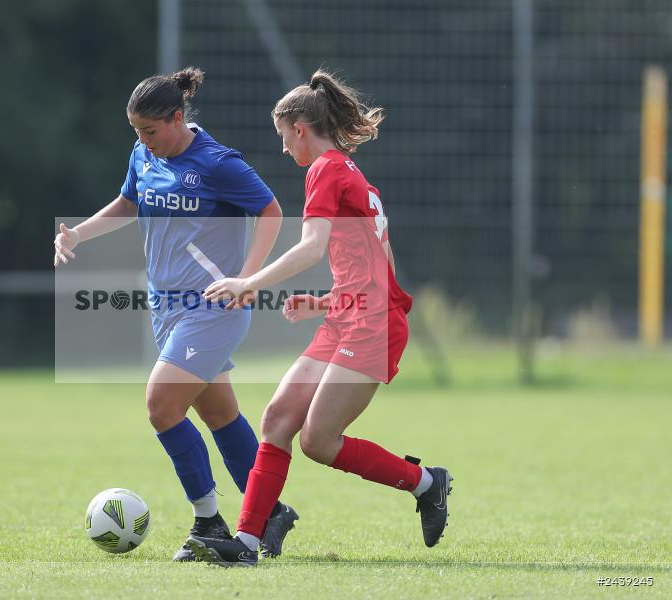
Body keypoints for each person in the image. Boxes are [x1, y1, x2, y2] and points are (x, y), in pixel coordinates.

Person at [186, 70, 454, 567]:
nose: (285, 148)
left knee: (318, 441)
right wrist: (328, 302)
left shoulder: (325, 170)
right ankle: (246, 543)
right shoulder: (350, 172)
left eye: (284, 137)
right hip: (353, 316)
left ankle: (425, 483)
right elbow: (377, 265)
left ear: (300, 128)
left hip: (372, 325)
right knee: (277, 419)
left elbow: (312, 247)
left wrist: (248, 282)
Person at [53, 67, 300, 561]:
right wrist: (78, 233)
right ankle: (272, 513)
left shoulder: (217, 162)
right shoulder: (143, 154)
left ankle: (208, 520)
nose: (143, 140)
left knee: (161, 405)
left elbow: (270, 211)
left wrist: (248, 279)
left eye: (150, 130)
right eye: (136, 131)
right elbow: (128, 203)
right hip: (166, 308)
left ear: (176, 117)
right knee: (219, 413)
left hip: (213, 308)